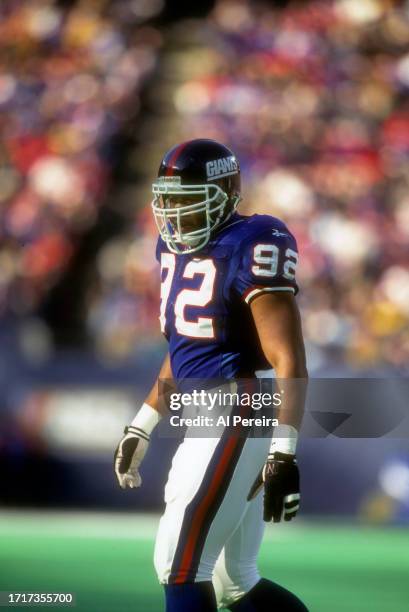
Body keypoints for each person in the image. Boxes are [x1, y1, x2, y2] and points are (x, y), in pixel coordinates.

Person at [114, 139, 309, 611]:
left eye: (188, 199)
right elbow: (186, 346)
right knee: (233, 581)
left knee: (178, 563)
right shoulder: (173, 246)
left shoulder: (254, 240)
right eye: (170, 199)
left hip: (241, 403)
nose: (176, 212)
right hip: (209, 407)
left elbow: (288, 358)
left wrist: (284, 454)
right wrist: (144, 421)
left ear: (225, 192)